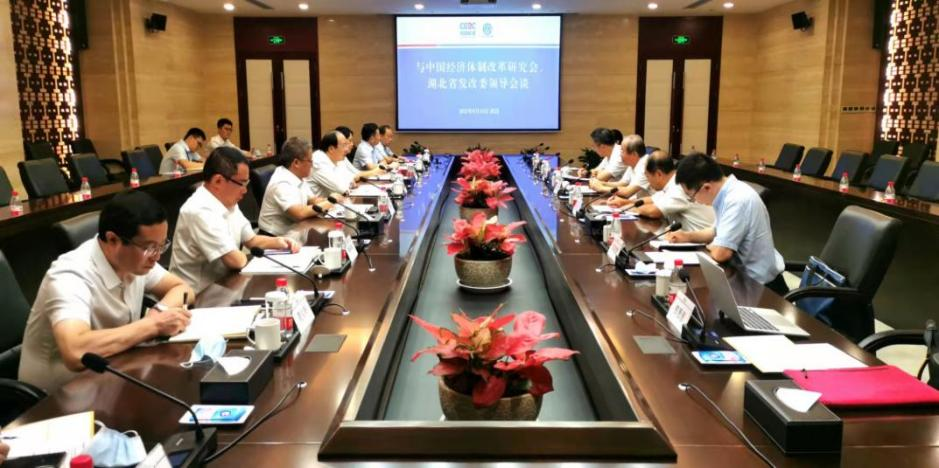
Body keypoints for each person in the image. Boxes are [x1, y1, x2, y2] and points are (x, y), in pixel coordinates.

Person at [18, 191, 194, 391]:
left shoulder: (135, 260)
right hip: (57, 395)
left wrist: (159, 311)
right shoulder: (69, 275)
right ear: (112, 240)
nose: (157, 256)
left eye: (161, 246)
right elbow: (75, 351)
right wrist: (153, 325)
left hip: (113, 374)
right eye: (150, 247)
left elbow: (182, 288)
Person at [170, 147, 299, 293]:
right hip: (197, 296)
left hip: (224, 286)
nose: (245, 190)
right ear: (218, 181)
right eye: (241, 183)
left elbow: (251, 240)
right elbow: (236, 261)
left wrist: (279, 242)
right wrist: (249, 257)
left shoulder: (227, 201)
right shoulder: (198, 210)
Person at [666, 152, 788, 294]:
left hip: (761, 288)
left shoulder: (737, 200)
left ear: (706, 187)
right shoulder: (727, 193)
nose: (695, 201)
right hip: (740, 279)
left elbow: (721, 254)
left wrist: (714, 245)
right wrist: (686, 236)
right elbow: (714, 231)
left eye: (692, 197)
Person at [258, 137, 333, 236]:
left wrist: (326, 202)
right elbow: (299, 213)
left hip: (295, 231)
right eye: (310, 161)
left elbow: (312, 199)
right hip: (274, 238)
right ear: (296, 163)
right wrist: (327, 204)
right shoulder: (282, 182)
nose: (312, 165)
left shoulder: (298, 176)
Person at [629, 151, 715, 232]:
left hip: (701, 240)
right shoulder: (671, 182)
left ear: (659, 174)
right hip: (687, 236)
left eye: (647, 176)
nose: (648, 181)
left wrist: (632, 209)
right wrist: (627, 204)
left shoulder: (678, 186)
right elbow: (652, 200)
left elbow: (653, 211)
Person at [311, 131, 379, 197]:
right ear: (331, 149)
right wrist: (350, 182)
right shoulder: (319, 161)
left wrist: (349, 181)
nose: (347, 149)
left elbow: (351, 177)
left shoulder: (336, 159)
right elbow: (342, 189)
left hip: (336, 201)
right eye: (344, 145)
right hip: (320, 203)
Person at [596, 134, 651, 199]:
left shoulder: (645, 166)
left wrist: (601, 188)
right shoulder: (632, 164)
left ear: (634, 154)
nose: (620, 154)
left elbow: (627, 192)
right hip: (634, 202)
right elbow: (622, 184)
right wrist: (601, 183)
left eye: (622, 151)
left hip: (646, 204)